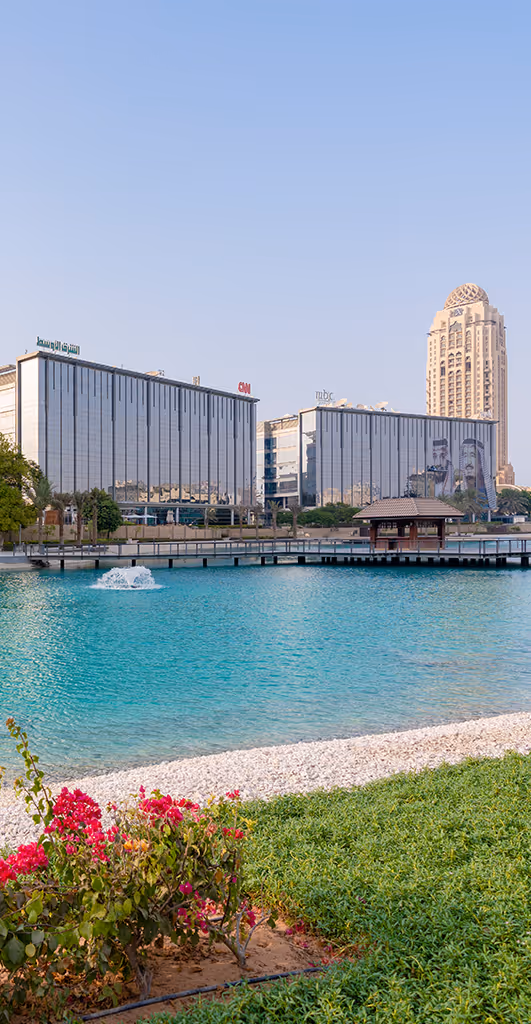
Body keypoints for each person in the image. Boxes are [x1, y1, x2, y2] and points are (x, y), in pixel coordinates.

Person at [459, 438, 496, 509]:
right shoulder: (458, 491)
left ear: (481, 462)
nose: (468, 462)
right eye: (465, 456)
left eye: (472, 456)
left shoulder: (487, 491)